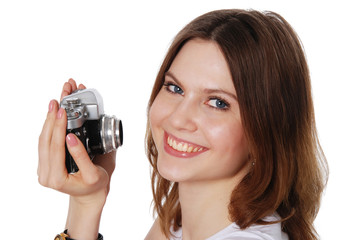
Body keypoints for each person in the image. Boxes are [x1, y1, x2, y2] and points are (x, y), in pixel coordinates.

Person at [38, 9, 328, 240]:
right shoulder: (176, 223)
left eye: (218, 102)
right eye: (175, 89)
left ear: (267, 129)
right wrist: (86, 202)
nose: (177, 119)